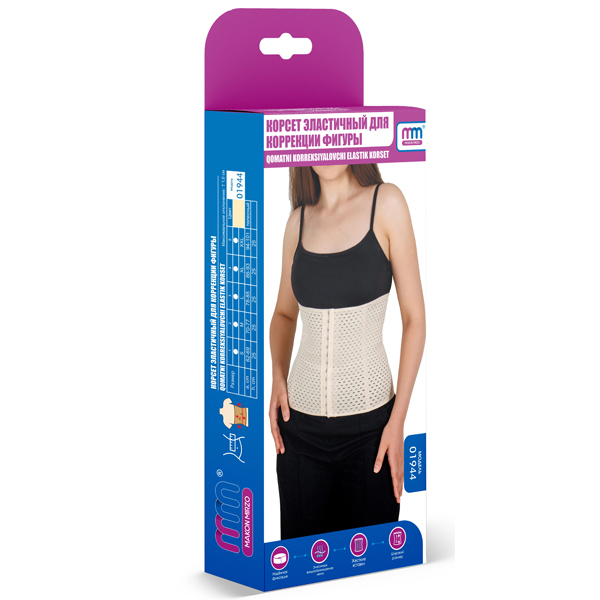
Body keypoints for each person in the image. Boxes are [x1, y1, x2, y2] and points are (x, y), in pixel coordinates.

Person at [269, 164, 426, 540]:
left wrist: (398, 422)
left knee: (370, 563)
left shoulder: (386, 203)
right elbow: (284, 314)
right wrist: (277, 375)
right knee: (302, 565)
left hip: (372, 435)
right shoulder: (297, 223)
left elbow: (414, 319)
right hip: (299, 434)